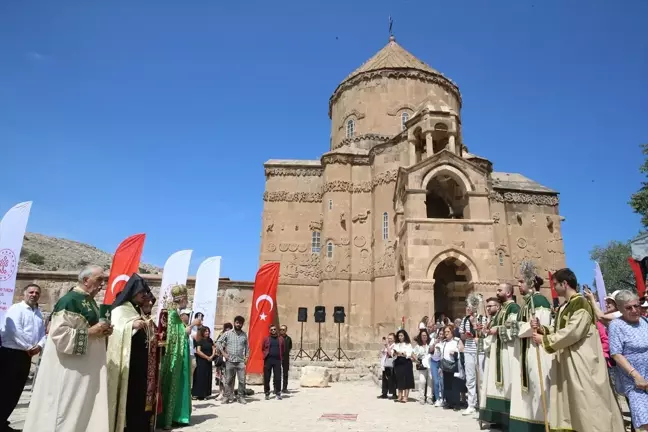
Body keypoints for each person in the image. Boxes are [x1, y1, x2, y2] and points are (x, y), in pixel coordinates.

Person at [532, 268, 624, 432]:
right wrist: (542, 329)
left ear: (564, 283)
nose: (554, 288)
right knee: (572, 405)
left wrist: (545, 340)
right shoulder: (563, 307)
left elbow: (573, 331)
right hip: (568, 362)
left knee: (589, 404)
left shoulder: (580, 302)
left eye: (555, 284)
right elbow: (558, 329)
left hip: (582, 362)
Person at [23, 265, 113, 432]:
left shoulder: (89, 301)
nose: (103, 284)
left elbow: (89, 331)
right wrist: (93, 331)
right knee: (67, 410)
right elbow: (60, 336)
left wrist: (103, 331)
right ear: (86, 280)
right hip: (72, 369)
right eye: (99, 279)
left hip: (86, 368)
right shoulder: (70, 301)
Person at [106, 273, 154, 432]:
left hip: (141, 362)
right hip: (128, 363)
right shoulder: (120, 309)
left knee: (139, 396)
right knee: (130, 395)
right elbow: (115, 329)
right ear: (133, 292)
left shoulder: (136, 309)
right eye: (142, 293)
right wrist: (131, 325)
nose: (145, 296)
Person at [509, 272, 552, 432]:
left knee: (538, 387)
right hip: (525, 351)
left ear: (531, 283)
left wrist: (516, 328)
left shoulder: (539, 300)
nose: (518, 285)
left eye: (521, 282)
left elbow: (542, 324)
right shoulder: (526, 303)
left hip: (536, 351)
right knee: (530, 389)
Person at [0, 284, 46, 432]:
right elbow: (14, 331)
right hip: (11, 354)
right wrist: (28, 347)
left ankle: (3, 421)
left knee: (16, 390)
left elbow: (42, 333)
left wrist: (39, 345)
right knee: (5, 389)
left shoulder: (38, 313)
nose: (34, 295)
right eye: (31, 292)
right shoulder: (16, 309)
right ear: (24, 294)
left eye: (37, 293)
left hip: (26, 356)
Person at [479, 282, 520, 429]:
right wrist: (488, 329)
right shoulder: (503, 310)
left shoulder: (514, 308)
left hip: (507, 352)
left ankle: (508, 420)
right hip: (497, 351)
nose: (497, 293)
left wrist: (497, 330)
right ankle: (498, 418)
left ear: (508, 292)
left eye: (499, 290)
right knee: (495, 386)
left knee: (507, 383)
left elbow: (515, 330)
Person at [608, 290, 648, 431]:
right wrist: (636, 376)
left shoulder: (644, 321)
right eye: (628, 307)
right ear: (619, 309)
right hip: (634, 381)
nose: (634, 310)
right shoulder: (616, 325)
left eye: (636, 306)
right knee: (645, 420)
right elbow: (616, 354)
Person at [158, 284, 193, 430]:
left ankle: (165, 417)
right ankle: (171, 418)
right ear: (183, 299)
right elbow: (182, 332)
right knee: (175, 383)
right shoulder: (175, 313)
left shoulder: (166, 312)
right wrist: (192, 325)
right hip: (177, 355)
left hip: (168, 354)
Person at [459, 299, 486, 416]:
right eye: (467, 306)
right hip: (469, 350)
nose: (468, 308)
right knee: (470, 378)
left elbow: (485, 333)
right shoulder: (464, 320)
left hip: (480, 350)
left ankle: (483, 404)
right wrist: (466, 335)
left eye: (470, 306)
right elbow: (461, 335)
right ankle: (471, 404)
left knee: (481, 378)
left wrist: (478, 331)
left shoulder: (482, 318)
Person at [217, 315, 250, 404]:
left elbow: (247, 347)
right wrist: (224, 353)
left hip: (240, 362)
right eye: (237, 322)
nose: (239, 324)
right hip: (230, 361)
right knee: (228, 380)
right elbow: (218, 342)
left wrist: (247, 357)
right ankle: (226, 397)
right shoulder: (228, 333)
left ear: (242, 324)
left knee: (242, 380)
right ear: (234, 323)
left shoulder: (244, 335)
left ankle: (241, 397)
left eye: (240, 323)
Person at [140, 296, 161, 431]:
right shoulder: (136, 320)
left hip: (152, 364)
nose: (149, 307)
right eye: (147, 305)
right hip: (140, 362)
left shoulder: (151, 322)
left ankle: (149, 422)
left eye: (151, 305)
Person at [439, 324, 464, 410]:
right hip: (445, 365)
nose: (446, 333)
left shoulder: (456, 341)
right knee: (447, 385)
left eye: (448, 332)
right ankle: (449, 402)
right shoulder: (444, 342)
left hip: (454, 365)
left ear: (452, 332)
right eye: (445, 332)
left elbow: (461, 349)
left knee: (455, 385)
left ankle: (456, 404)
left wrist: (455, 351)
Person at [391, 329, 415, 403]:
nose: (400, 337)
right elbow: (393, 353)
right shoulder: (396, 344)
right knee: (399, 378)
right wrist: (395, 353)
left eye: (401, 335)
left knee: (407, 378)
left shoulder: (408, 344)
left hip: (406, 362)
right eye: (399, 336)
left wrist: (405, 354)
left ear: (404, 336)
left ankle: (405, 396)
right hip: (398, 362)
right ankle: (400, 395)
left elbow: (410, 353)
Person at [262, 324, 285, 400]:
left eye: (274, 329)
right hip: (268, 360)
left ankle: (278, 393)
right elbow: (263, 348)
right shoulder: (266, 339)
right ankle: (267, 393)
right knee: (267, 377)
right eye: (271, 330)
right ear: (269, 331)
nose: (273, 331)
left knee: (278, 377)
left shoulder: (281, 339)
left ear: (276, 330)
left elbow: (283, 349)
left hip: (277, 360)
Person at [192, 326, 215, 400]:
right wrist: (207, 357)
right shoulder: (199, 340)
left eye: (208, 331)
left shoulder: (210, 340)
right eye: (205, 331)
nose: (207, 332)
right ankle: (198, 394)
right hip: (201, 361)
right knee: (200, 377)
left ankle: (206, 393)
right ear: (202, 332)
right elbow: (198, 351)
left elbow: (214, 348)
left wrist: (212, 356)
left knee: (207, 376)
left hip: (209, 361)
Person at [413, 329, 433, 405]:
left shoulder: (430, 345)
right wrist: (416, 360)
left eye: (425, 335)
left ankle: (429, 397)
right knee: (422, 381)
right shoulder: (418, 346)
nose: (424, 337)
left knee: (430, 382)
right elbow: (413, 353)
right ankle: (421, 397)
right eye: (422, 335)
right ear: (420, 337)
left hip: (430, 365)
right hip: (422, 365)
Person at [378, 333, 396, 399]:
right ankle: (384, 393)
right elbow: (384, 353)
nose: (389, 340)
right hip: (385, 364)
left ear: (394, 339)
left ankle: (393, 393)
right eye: (388, 338)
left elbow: (390, 354)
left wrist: (387, 346)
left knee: (391, 379)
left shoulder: (394, 346)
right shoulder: (388, 345)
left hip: (391, 364)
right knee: (384, 378)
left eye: (390, 338)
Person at [279, 324, 292, 392]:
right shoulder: (277, 338)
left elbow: (289, 347)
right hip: (278, 358)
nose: (282, 331)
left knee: (285, 373)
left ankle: (284, 388)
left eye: (283, 329)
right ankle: (277, 388)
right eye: (280, 329)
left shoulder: (289, 339)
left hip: (286, 358)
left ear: (286, 330)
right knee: (277, 373)